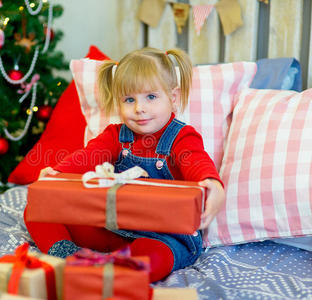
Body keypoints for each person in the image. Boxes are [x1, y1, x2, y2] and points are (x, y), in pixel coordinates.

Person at [24, 47, 225, 282]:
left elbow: (196, 160)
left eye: (151, 97)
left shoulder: (181, 137)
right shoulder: (115, 136)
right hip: (114, 228)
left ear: (173, 98)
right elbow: (88, 156)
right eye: (129, 99)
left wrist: (212, 183)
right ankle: (70, 258)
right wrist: (58, 172)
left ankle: (122, 271)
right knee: (36, 211)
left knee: (154, 256)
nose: (139, 108)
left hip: (164, 236)